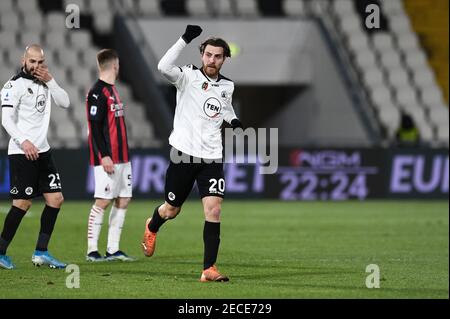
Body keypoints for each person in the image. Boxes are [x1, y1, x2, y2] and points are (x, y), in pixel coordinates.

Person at [141, 25, 243, 282]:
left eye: (218, 56)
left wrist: (233, 120)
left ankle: (209, 268)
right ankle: (152, 225)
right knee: (171, 209)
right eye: (208, 55)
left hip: (212, 157)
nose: (212, 60)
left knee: (214, 210)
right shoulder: (187, 76)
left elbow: (224, 109)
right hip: (184, 154)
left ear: (224, 58)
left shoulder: (228, 86)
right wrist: (184, 39)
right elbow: (163, 67)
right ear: (202, 55)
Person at [0, 44, 70, 270]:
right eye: (32, 62)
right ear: (24, 61)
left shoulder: (46, 82)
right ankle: (0, 252)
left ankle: (41, 252)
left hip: (43, 151)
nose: (36, 66)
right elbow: (6, 120)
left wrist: (51, 80)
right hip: (22, 152)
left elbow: (65, 102)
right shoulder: (13, 86)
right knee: (22, 203)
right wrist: (24, 140)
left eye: (40, 62)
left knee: (55, 199)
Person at [85, 49, 134, 262]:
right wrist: (104, 155)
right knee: (103, 201)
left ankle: (113, 249)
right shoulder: (97, 92)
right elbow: (94, 127)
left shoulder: (113, 90)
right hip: (108, 158)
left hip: (123, 157)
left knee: (123, 199)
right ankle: (92, 250)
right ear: (115, 65)